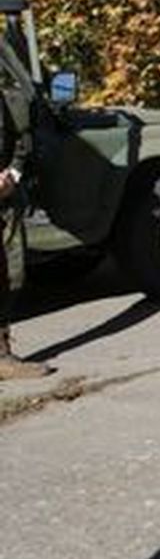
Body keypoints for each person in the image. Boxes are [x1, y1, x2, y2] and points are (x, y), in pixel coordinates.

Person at [0, 33, 49, 381]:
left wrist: (12, 175)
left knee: (10, 274)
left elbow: (22, 142)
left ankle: (2, 356)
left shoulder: (7, 100)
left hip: (4, 200)